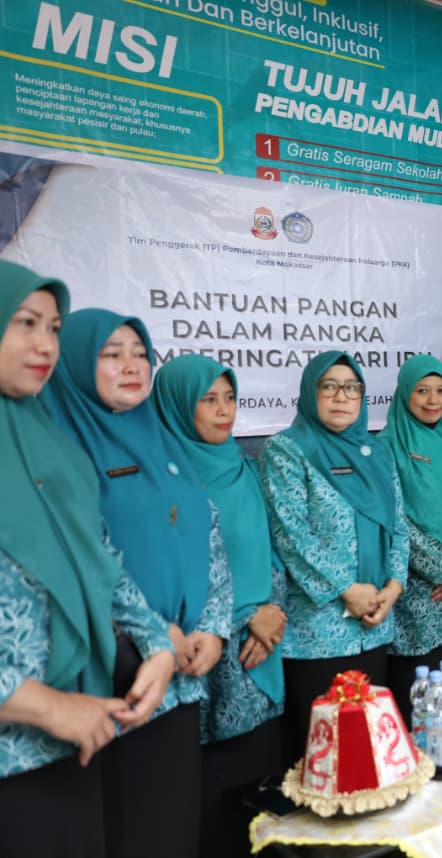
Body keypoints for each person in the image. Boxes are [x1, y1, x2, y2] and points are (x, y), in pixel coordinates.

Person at [41, 309, 232, 858]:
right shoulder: (59, 447)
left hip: (183, 677)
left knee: (173, 830)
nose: (131, 366)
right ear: (76, 364)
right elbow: (86, 554)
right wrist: (155, 633)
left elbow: (208, 535)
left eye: (140, 354)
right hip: (111, 683)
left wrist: (214, 628)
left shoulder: (163, 443)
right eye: (111, 354)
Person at [0, 261, 174, 858]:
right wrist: (45, 705)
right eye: (26, 323)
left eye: (54, 327)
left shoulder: (54, 445)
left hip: (78, 740)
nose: (45, 345)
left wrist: (157, 645)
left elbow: (100, 559)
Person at [153, 355, 286, 858]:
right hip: (201, 663)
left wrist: (271, 614)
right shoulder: (164, 478)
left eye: (229, 398)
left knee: (261, 801)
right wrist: (242, 617)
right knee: (211, 808)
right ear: (177, 406)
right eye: (208, 400)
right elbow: (170, 573)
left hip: (261, 652)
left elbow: (273, 551)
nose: (224, 410)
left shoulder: (245, 467)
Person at [258, 352, 408, 762]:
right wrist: (347, 589)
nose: (341, 397)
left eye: (351, 388)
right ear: (311, 393)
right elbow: (291, 535)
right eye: (329, 387)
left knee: (369, 753)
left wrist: (395, 586)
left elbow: (398, 523)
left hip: (375, 622)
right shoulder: (287, 451)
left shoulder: (376, 451)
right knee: (325, 760)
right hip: (318, 633)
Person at [380, 354, 442, 720]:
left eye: (440, 390)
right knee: (417, 703)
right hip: (413, 595)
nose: (433, 400)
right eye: (422, 391)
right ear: (405, 393)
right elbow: (394, 521)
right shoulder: (387, 448)